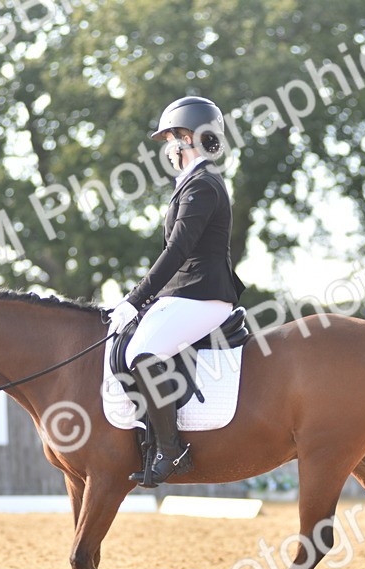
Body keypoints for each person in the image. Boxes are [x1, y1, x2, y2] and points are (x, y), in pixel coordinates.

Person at [107, 95, 246, 485]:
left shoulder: (203, 186)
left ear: (188, 139)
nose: (168, 147)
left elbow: (178, 251)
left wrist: (134, 300)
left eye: (171, 137)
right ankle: (153, 440)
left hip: (204, 294)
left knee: (142, 351)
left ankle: (173, 449)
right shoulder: (192, 184)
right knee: (128, 344)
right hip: (186, 293)